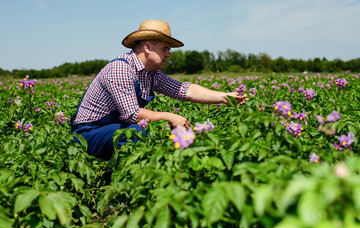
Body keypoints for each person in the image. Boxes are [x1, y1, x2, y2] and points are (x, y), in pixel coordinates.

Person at [70, 20, 247, 161]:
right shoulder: (121, 69)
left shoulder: (151, 74)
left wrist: (224, 97)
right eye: (165, 49)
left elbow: (183, 90)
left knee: (144, 130)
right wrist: (170, 116)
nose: (169, 54)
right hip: (88, 134)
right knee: (135, 131)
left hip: (111, 129)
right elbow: (132, 114)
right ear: (147, 47)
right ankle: (117, 186)